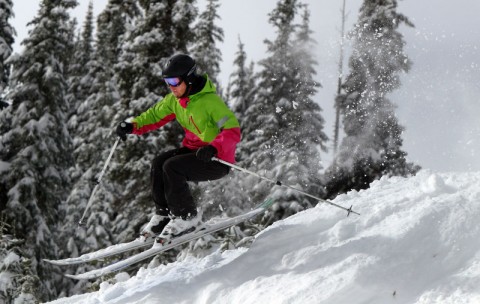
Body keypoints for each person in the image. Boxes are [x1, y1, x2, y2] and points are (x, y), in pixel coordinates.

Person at [116, 54, 241, 241]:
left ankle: (186, 216)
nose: (171, 87)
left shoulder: (210, 102)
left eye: (175, 81)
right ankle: (164, 214)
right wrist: (132, 126)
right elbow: (154, 116)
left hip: (216, 159)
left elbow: (232, 130)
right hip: (194, 152)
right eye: (167, 82)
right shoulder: (175, 101)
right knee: (159, 163)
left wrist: (214, 147)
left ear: (189, 78)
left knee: (172, 166)